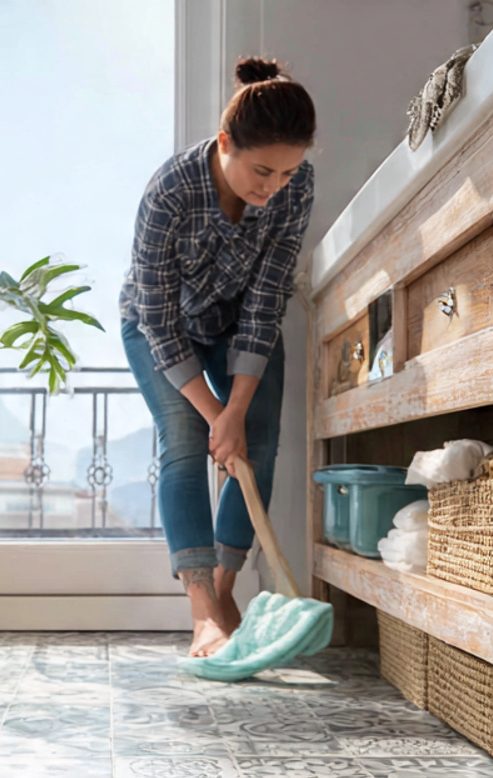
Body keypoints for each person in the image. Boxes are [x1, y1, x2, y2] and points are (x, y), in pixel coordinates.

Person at [121, 56, 316, 657]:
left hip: (238, 325)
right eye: (262, 171)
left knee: (256, 444)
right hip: (161, 326)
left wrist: (237, 412)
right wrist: (214, 415)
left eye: (286, 173)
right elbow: (157, 318)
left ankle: (228, 592)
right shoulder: (170, 191)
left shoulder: (294, 189)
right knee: (182, 443)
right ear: (225, 142)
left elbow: (266, 302)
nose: (272, 187)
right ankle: (202, 610)